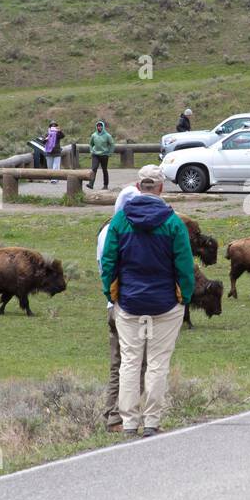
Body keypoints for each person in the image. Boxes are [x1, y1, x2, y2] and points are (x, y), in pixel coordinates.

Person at [100, 165, 195, 439]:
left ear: (138, 186)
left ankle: (129, 421)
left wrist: (111, 294)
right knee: (157, 362)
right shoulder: (173, 223)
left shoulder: (120, 222)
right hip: (165, 304)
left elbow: (108, 263)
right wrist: (184, 297)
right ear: (161, 188)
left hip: (129, 303)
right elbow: (185, 266)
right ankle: (152, 420)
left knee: (129, 361)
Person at [97, 218, 145, 432]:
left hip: (114, 304)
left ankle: (111, 414)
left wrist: (110, 297)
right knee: (137, 363)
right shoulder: (123, 231)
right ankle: (120, 417)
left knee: (118, 364)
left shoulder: (106, 230)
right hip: (129, 306)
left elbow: (105, 268)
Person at [87, 120, 115, 190]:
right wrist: (91, 150)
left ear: (103, 127)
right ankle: (91, 183)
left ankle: (105, 185)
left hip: (104, 155)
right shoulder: (94, 135)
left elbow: (112, 144)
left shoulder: (107, 135)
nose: (99, 127)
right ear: (96, 127)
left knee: (104, 170)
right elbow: (91, 144)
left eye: (100, 126)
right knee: (94, 168)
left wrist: (110, 153)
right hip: (95, 154)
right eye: (98, 126)